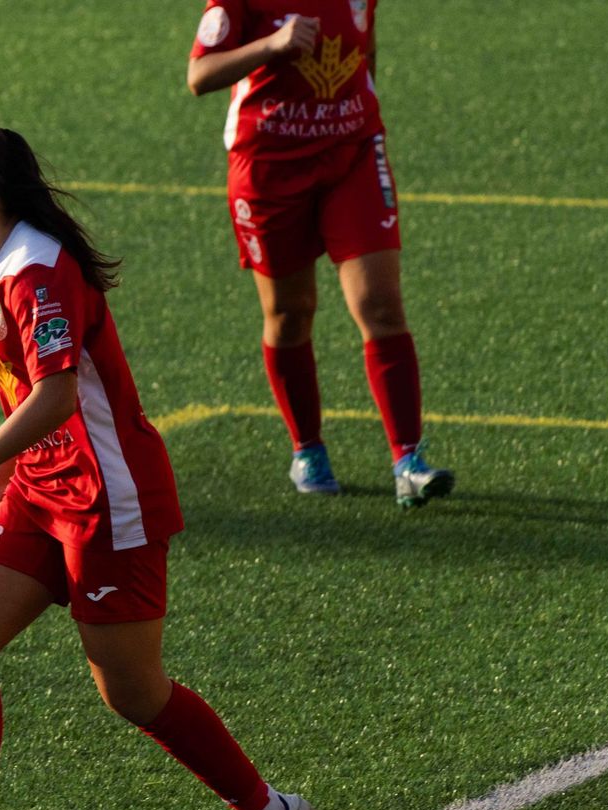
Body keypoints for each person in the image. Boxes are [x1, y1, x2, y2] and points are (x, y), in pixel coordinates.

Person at [0, 124, 312, 810]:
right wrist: (9, 475)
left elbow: (56, 395)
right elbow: (23, 389)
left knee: (133, 693)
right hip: (42, 492)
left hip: (108, 501)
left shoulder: (40, 271)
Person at [187, 0, 454, 507]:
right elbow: (199, 75)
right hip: (267, 168)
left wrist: (356, 117)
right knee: (289, 314)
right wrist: (273, 45)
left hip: (352, 155)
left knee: (380, 303)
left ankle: (408, 460)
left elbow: (365, 54)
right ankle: (307, 448)